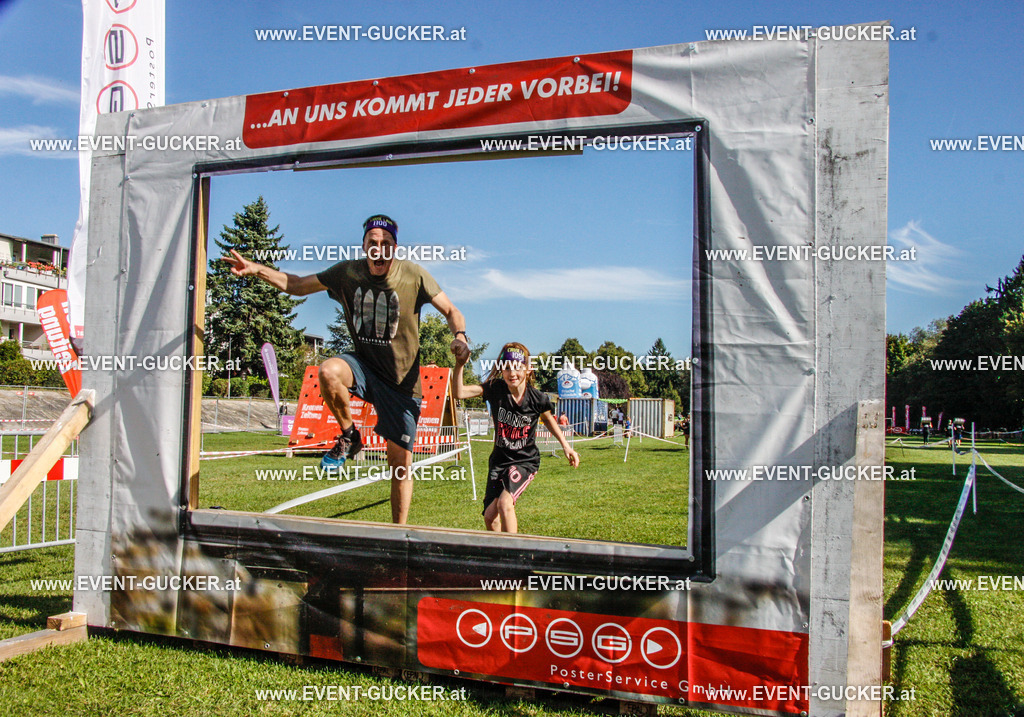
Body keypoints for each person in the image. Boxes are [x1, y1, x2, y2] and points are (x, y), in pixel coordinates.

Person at [224, 214, 470, 524]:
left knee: (400, 465)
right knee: (328, 371)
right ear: (364, 246)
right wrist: (256, 269)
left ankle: (398, 532)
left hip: (401, 385)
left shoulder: (415, 275)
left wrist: (459, 336)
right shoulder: (347, 272)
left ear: (395, 248)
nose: (379, 250)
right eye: (373, 244)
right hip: (364, 366)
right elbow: (298, 285)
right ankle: (350, 436)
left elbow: (451, 310)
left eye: (386, 244)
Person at [453, 342, 579, 533]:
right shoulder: (495, 389)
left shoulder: (538, 399)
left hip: (524, 461)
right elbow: (459, 392)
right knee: (490, 518)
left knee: (505, 503)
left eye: (518, 367)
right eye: (507, 368)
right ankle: (499, 554)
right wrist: (460, 364)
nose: (512, 373)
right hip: (499, 461)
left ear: (528, 370)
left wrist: (566, 446)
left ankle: (514, 554)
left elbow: (549, 420)